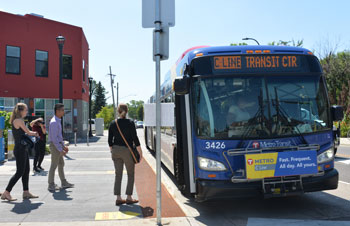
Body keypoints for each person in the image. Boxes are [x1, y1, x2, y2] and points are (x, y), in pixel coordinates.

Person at [1, 103, 39, 201]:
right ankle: (6, 192)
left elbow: (26, 132)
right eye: (26, 110)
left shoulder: (19, 120)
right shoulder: (18, 120)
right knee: (19, 172)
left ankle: (26, 192)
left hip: (23, 148)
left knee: (26, 170)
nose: (27, 112)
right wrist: (35, 133)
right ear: (21, 111)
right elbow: (28, 132)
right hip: (20, 149)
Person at [108, 103, 143, 205]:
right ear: (126, 111)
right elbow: (135, 139)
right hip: (127, 151)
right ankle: (129, 197)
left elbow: (110, 140)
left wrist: (112, 150)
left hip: (115, 150)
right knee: (130, 174)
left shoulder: (113, 123)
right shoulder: (130, 123)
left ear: (118, 111)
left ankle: (118, 198)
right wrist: (140, 152)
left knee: (118, 174)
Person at [47, 103, 74, 192]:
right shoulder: (54, 122)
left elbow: (59, 136)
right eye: (62, 110)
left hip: (58, 145)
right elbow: (54, 139)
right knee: (54, 165)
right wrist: (60, 149)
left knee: (61, 164)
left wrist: (63, 146)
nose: (63, 112)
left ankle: (63, 182)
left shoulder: (57, 120)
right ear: (57, 111)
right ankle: (51, 184)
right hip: (55, 146)